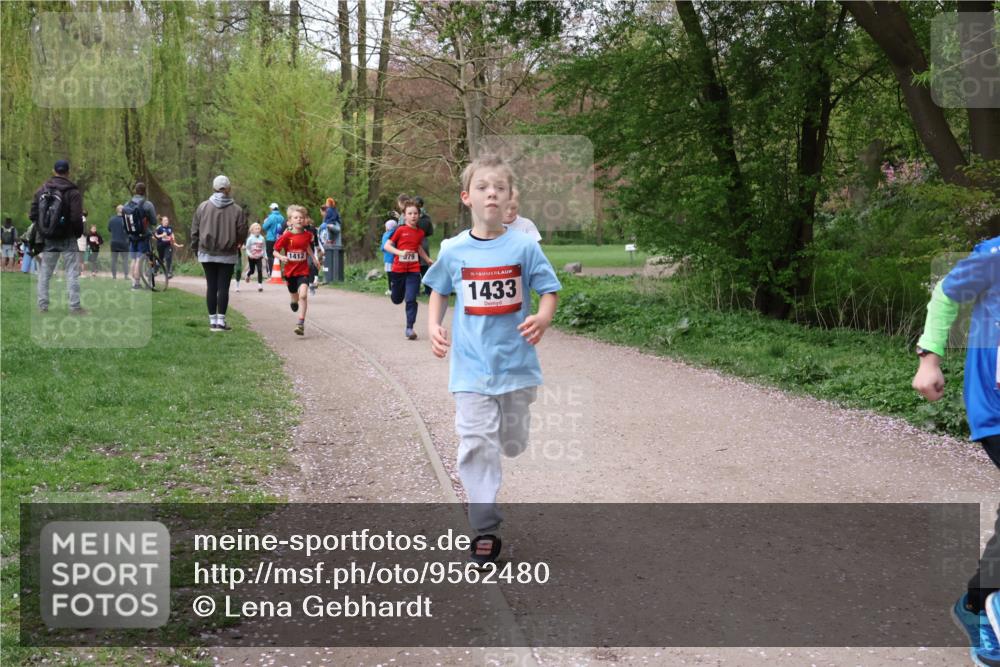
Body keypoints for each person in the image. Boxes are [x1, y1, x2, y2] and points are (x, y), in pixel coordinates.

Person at [422, 154, 560, 564]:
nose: (492, 193)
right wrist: (433, 325)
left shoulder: (522, 246)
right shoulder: (453, 249)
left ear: (509, 197)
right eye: (483, 187)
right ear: (468, 197)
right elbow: (439, 289)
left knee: (511, 444)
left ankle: (509, 435)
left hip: (516, 365)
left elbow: (549, 288)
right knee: (476, 441)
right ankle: (484, 527)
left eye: (499, 187)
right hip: (470, 366)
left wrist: (544, 316)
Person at [911, 235, 1000, 666]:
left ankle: (977, 602)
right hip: (997, 407)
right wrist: (930, 358)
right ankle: (991, 622)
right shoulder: (995, 256)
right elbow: (945, 293)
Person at [191, 175, 247, 331]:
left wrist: (195, 248)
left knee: (211, 286)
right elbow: (242, 230)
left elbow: (195, 230)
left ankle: (212, 321)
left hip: (206, 251)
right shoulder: (237, 210)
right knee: (223, 287)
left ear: (214, 188)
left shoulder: (203, 207)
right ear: (228, 189)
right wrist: (239, 242)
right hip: (228, 253)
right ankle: (221, 322)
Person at [31, 159, 85, 314]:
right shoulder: (73, 192)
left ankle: (42, 306)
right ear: (68, 172)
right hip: (68, 237)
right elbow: (76, 218)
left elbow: (33, 214)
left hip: (49, 238)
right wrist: (77, 233)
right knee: (72, 272)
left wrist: (44, 230)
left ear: (54, 171)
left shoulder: (42, 190)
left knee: (45, 272)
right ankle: (74, 307)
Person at [385, 199, 433, 340]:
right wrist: (400, 253)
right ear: (404, 216)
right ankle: (395, 293)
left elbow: (418, 247)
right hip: (398, 270)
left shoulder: (419, 233)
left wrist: (427, 259)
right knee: (397, 299)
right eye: (410, 213)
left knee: (411, 299)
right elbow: (388, 246)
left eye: (415, 213)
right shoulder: (399, 230)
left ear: (419, 215)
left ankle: (410, 328)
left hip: (413, 270)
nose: (413, 216)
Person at [274, 205, 318, 336]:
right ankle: (293, 300)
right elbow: (274, 251)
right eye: (296, 217)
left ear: (305, 220)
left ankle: (301, 323)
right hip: (290, 272)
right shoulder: (286, 236)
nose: (299, 220)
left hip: (303, 270)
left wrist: (314, 258)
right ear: (290, 221)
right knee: (295, 297)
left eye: (301, 218)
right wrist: (281, 257)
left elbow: (307, 247)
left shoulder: (308, 235)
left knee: (303, 295)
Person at [123, 183, 157, 290]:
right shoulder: (147, 204)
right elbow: (154, 221)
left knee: (133, 259)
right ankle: (140, 283)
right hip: (143, 236)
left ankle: (134, 282)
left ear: (135, 191)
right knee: (140, 258)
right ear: (144, 191)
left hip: (132, 236)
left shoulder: (127, 204)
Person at [414, 196, 435, 294]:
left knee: (415, 267)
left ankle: (416, 290)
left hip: (414, 242)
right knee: (425, 267)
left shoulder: (413, 216)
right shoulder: (427, 217)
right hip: (424, 241)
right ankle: (428, 290)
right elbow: (430, 231)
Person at [262, 203, 285, 277]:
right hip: (279, 239)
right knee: (277, 255)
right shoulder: (282, 217)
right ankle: (278, 272)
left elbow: (264, 227)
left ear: (271, 209)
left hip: (270, 238)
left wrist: (265, 222)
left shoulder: (270, 217)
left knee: (270, 256)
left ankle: (271, 273)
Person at [108, 205, 128, 279]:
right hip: (124, 241)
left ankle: (114, 276)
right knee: (125, 259)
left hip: (114, 241)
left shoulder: (112, 219)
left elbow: (109, 229)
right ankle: (126, 275)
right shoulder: (126, 219)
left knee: (114, 259)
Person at [244, 222, 266, 292]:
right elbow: (247, 248)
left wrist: (265, 255)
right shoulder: (250, 239)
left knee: (260, 270)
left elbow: (264, 247)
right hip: (252, 257)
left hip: (259, 256)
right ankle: (248, 274)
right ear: (252, 230)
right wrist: (250, 254)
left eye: (259, 229)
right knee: (252, 271)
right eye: (256, 229)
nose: (257, 230)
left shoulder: (262, 238)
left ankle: (260, 285)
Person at [380, 215, 398, 296]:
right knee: (397, 275)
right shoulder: (397, 233)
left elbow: (384, 246)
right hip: (397, 258)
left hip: (388, 258)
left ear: (388, 227)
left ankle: (391, 290)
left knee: (390, 275)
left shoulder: (386, 235)